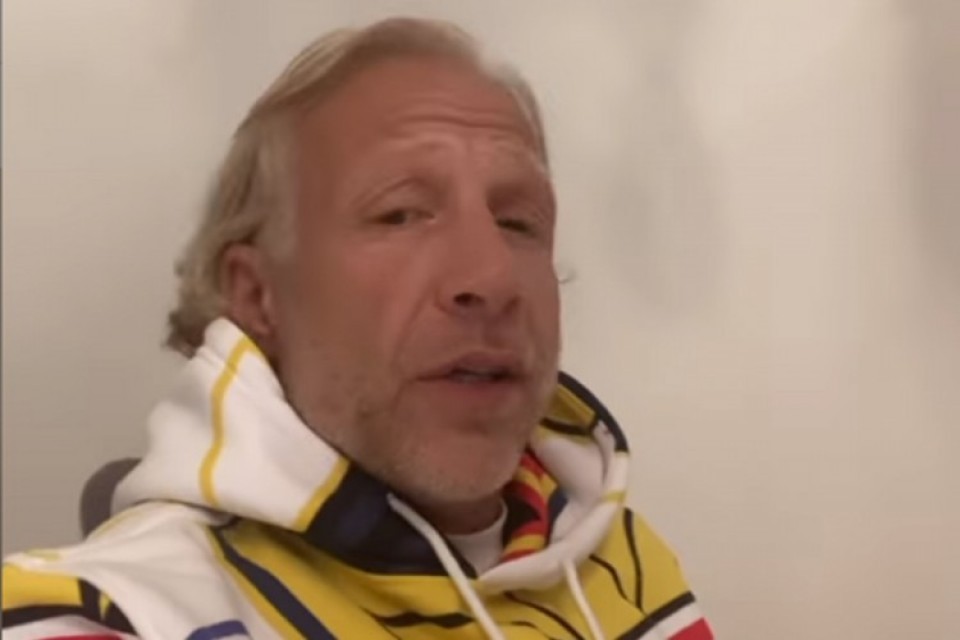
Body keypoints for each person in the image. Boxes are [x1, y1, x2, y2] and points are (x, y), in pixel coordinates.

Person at [2, 17, 714, 640]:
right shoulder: (119, 611)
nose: (493, 275)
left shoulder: (622, 556)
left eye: (519, 223)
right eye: (399, 214)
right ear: (259, 296)